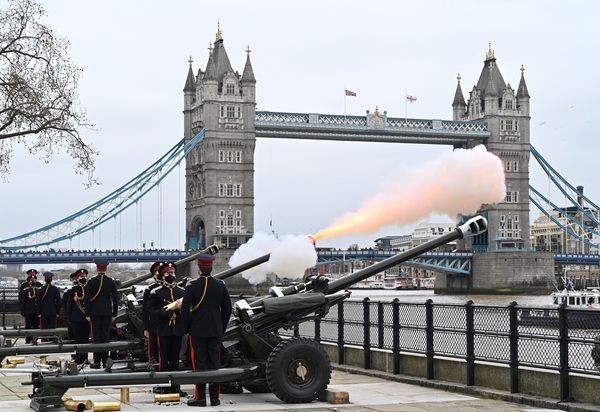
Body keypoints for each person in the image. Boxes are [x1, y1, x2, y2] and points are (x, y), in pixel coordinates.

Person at [181, 254, 231, 407]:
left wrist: (188, 327)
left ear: (199, 268)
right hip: (215, 330)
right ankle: (215, 399)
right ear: (212, 267)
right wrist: (221, 327)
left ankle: (201, 398)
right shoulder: (220, 285)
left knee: (199, 363)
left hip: (197, 330)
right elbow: (227, 309)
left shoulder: (192, 285)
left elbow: (185, 310)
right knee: (215, 362)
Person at [147, 262, 187, 396]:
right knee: (164, 359)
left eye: (173, 273)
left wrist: (182, 311)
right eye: (168, 273)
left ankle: (175, 386)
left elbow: (189, 311)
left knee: (176, 359)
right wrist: (161, 313)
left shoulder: (181, 292)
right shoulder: (156, 292)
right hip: (164, 329)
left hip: (177, 329)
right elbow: (149, 310)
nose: (171, 275)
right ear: (163, 276)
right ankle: (164, 386)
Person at [84, 259, 118, 369]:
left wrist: (87, 314)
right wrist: (114, 313)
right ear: (106, 268)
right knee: (105, 336)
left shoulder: (92, 281)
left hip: (95, 312)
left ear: (97, 268)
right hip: (107, 312)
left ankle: (97, 362)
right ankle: (105, 361)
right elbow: (115, 298)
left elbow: (88, 299)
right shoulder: (110, 281)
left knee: (96, 337)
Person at [67, 269, 91, 364]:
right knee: (78, 338)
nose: (83, 278)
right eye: (81, 277)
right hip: (76, 317)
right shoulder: (73, 290)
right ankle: (78, 357)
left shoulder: (89, 288)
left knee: (85, 339)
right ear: (77, 278)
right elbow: (70, 305)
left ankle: (85, 358)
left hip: (86, 317)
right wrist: (69, 318)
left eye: (84, 277)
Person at [142, 261, 164, 364]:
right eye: (157, 273)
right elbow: (145, 310)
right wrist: (146, 328)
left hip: (168, 324)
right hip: (154, 324)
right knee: (153, 349)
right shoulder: (149, 290)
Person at [19, 272, 39, 343]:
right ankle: (28, 339)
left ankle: (35, 339)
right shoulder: (26, 290)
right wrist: (23, 311)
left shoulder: (38, 290)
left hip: (35, 311)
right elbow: (22, 301)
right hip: (28, 311)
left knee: (35, 325)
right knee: (28, 325)